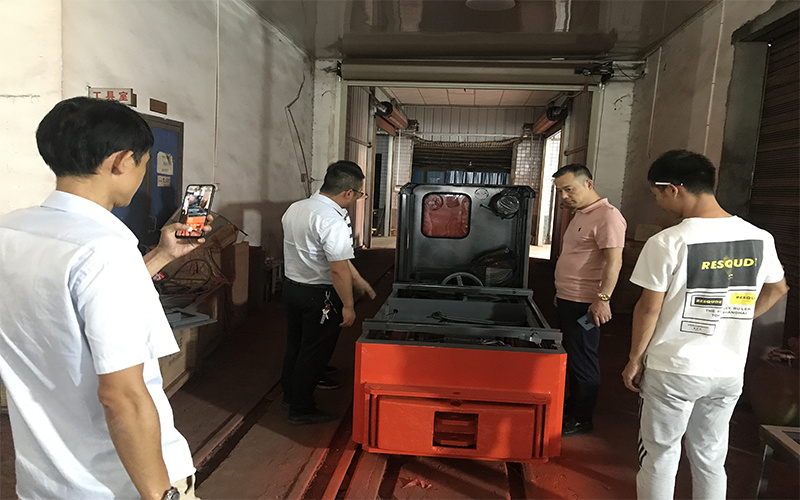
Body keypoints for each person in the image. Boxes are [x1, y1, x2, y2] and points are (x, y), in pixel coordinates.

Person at [0, 97, 210, 500]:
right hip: (116, 484)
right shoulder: (106, 251)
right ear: (122, 161)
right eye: (144, 164)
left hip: (44, 481)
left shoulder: (13, 230)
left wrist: (162, 255)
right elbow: (122, 397)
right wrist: (161, 495)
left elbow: (75, 303)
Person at [622, 150, 788, 499]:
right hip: (727, 371)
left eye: (656, 194)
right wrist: (736, 316)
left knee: (659, 457)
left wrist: (635, 359)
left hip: (674, 369)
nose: (658, 202)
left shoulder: (668, 241)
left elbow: (649, 308)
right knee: (711, 457)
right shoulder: (759, 238)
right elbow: (778, 289)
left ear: (673, 189)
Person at [280, 160, 376, 426]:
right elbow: (337, 269)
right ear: (348, 193)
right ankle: (301, 408)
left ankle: (290, 395)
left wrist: (359, 279)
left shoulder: (296, 208)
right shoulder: (332, 220)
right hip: (319, 296)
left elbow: (337, 258)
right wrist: (348, 305)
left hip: (292, 289)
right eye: (359, 194)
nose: (357, 198)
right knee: (314, 353)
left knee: (296, 345)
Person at [552, 164, 627, 437]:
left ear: (589, 184)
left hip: (585, 303)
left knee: (583, 359)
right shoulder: (581, 214)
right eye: (560, 191)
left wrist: (603, 299)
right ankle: (574, 405)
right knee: (573, 356)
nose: (564, 196)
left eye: (568, 189)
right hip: (569, 298)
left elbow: (614, 261)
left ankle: (582, 417)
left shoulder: (608, 216)